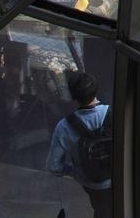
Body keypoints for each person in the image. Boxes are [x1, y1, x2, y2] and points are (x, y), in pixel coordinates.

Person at [47, 71, 112, 218]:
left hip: (92, 183)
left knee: (101, 210)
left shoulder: (63, 127)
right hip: (119, 175)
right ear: (96, 89)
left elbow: (53, 166)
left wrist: (74, 171)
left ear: (73, 96)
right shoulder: (114, 113)